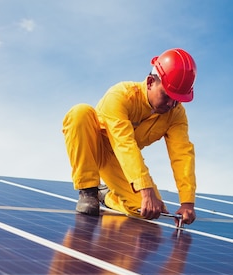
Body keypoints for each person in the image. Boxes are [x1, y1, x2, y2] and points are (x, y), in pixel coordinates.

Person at [62, 48, 197, 226]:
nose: (172, 104)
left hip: (119, 162)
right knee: (80, 113)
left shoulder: (176, 114)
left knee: (146, 210)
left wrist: (187, 202)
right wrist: (145, 189)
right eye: (167, 96)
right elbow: (124, 144)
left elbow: (182, 155)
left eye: (178, 99)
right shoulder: (121, 95)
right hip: (95, 147)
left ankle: (108, 196)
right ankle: (88, 191)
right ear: (150, 82)